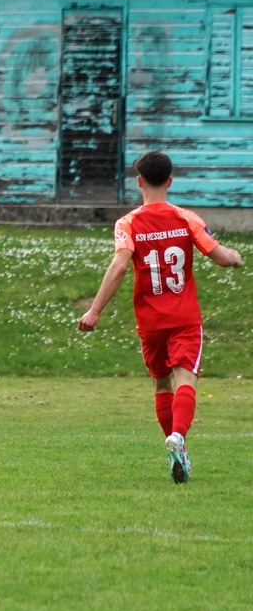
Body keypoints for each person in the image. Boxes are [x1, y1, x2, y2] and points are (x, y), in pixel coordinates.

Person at [77, 151, 242, 484]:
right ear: (169, 181)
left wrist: (95, 311)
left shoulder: (127, 223)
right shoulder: (186, 218)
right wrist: (235, 258)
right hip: (183, 318)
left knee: (161, 383)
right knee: (186, 381)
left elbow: (120, 265)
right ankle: (178, 437)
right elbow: (220, 257)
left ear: (139, 182)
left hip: (150, 322)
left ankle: (176, 452)